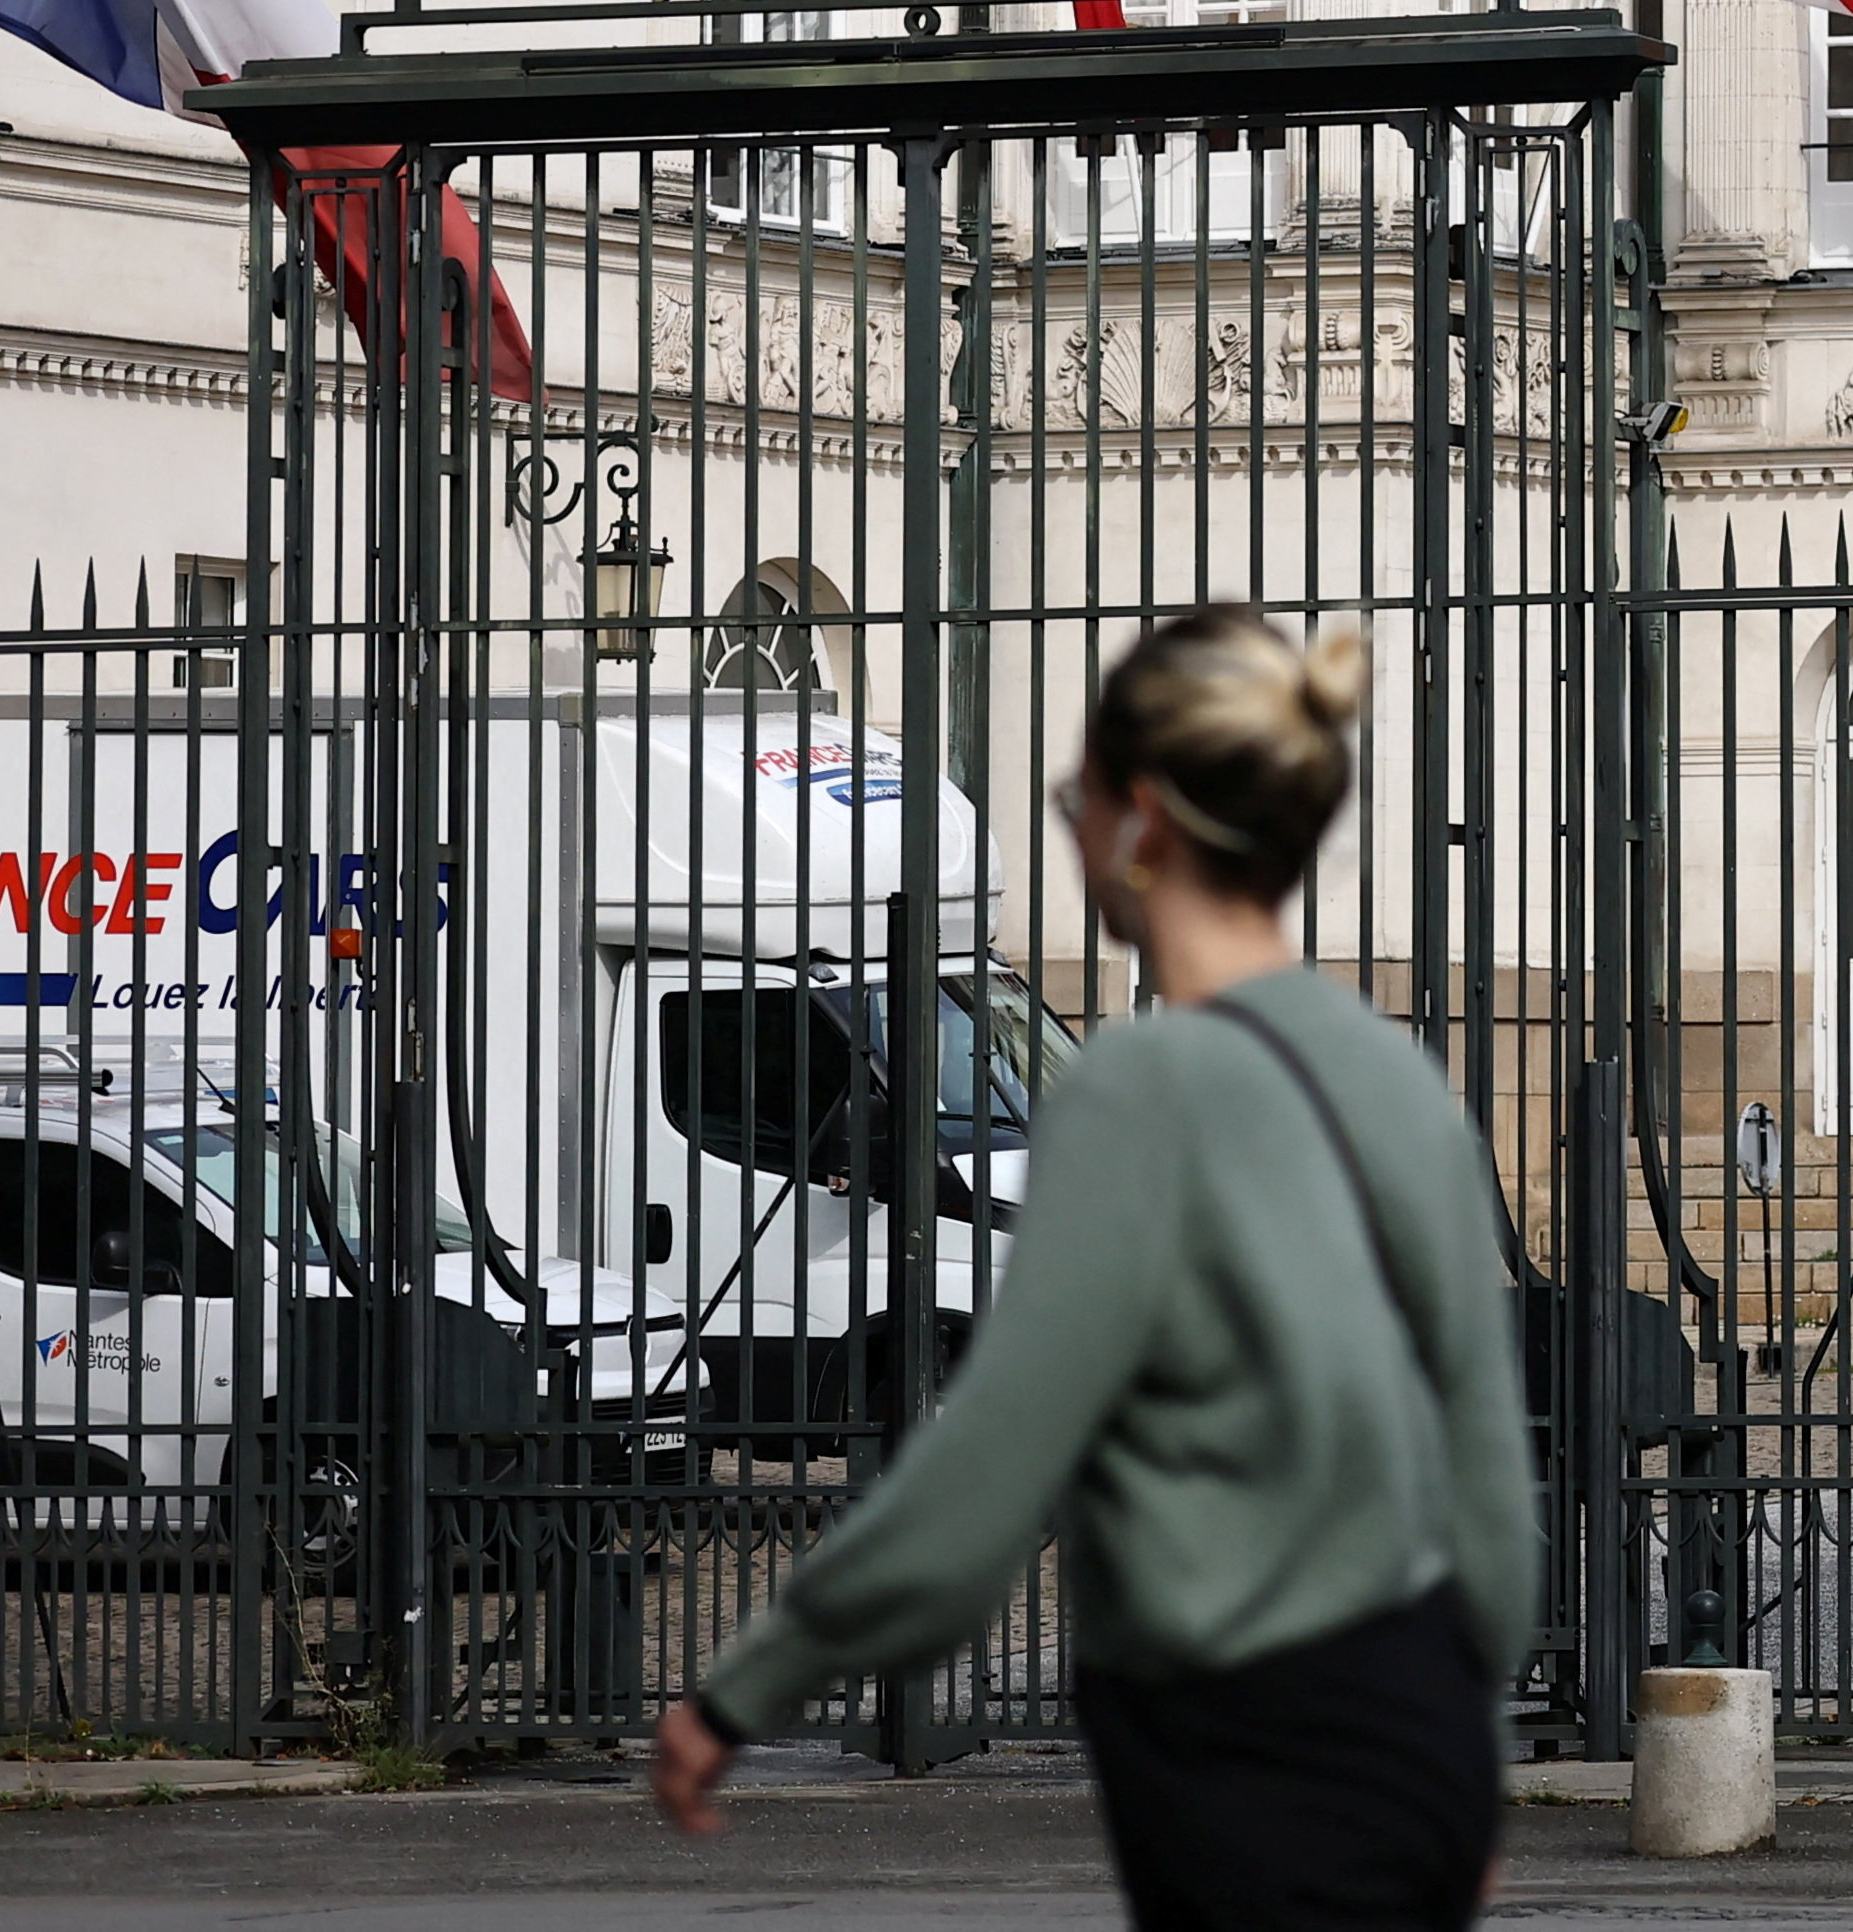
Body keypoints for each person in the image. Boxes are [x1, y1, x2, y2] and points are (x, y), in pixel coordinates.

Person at [649, 609, 1531, 1930]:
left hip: (1235, 1733)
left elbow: (990, 1468)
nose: (1070, 831)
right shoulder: (1398, 1082)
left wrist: (748, 1686)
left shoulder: (1143, 1087)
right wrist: (1468, 1760)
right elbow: (1484, 1486)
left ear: (1148, 820)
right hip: (1414, 1728)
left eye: (1081, 796)